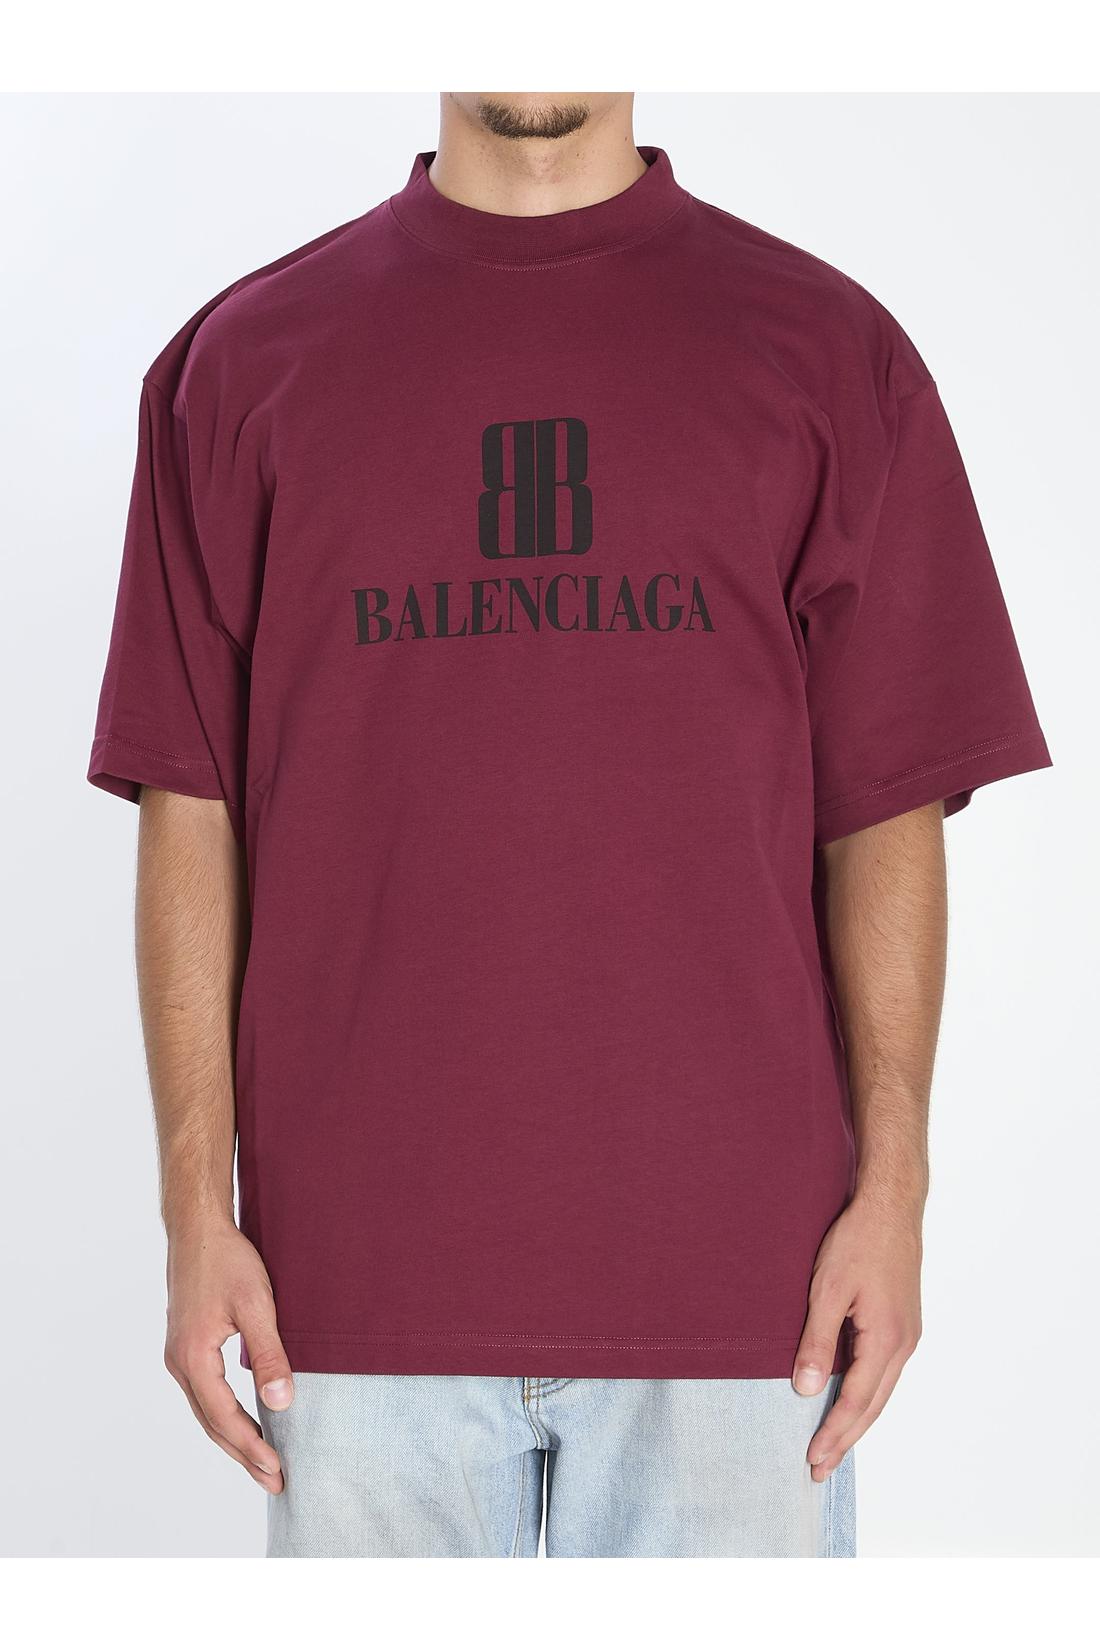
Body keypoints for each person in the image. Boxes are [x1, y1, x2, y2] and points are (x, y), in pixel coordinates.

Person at [87, 92, 1050, 1558]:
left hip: (750, 1291)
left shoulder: (826, 347)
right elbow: (188, 802)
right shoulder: (242, 360)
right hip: (343, 1287)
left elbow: (887, 808)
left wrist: (898, 1194)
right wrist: (190, 1214)